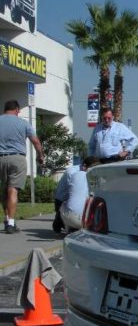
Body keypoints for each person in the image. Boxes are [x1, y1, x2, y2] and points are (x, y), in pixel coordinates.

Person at [0, 99, 45, 234]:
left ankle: (7, 218)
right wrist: (40, 156)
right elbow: (36, 142)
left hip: (0, 158)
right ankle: (11, 224)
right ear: (17, 110)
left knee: (4, 190)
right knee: (12, 190)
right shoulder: (24, 123)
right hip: (17, 158)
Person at [53, 156, 100, 233]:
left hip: (71, 212)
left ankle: (69, 225)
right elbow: (65, 194)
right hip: (63, 199)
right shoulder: (71, 172)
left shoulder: (76, 174)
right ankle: (60, 221)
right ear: (84, 166)